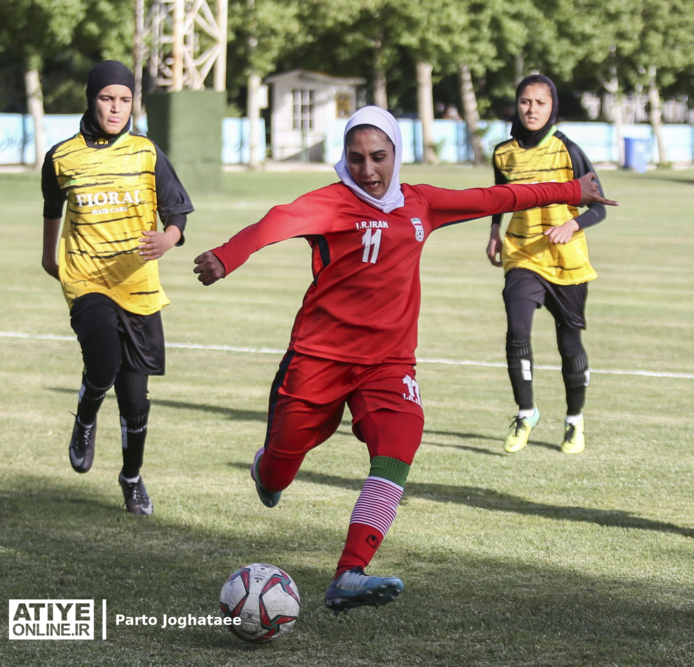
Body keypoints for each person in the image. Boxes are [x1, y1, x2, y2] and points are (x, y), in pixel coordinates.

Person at [193, 106, 615, 612]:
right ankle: (268, 472)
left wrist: (574, 191)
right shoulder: (330, 203)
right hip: (317, 358)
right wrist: (226, 256)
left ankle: (349, 572)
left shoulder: (421, 204)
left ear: (397, 153)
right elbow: (276, 223)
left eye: (378, 157)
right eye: (356, 159)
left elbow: (497, 197)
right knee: (280, 471)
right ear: (343, 159)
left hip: (388, 364)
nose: (367, 170)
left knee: (400, 440)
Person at [41, 60, 194, 516]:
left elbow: (178, 212)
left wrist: (168, 239)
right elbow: (52, 206)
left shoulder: (146, 152)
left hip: (140, 287)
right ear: (91, 99)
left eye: (125, 99)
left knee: (135, 399)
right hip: (87, 279)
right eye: (107, 98)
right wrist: (51, 259)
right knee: (103, 359)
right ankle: (86, 415)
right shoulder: (62, 156)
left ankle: (131, 478)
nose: (116, 108)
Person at [486, 75, 607, 455]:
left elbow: (600, 206)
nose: (532, 109)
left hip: (566, 261)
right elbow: (498, 199)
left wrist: (572, 224)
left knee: (568, 343)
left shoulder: (569, 150)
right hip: (521, 254)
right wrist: (494, 232)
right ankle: (525, 412)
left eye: (540, 102)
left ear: (552, 106)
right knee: (517, 330)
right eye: (525, 101)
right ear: (517, 105)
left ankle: (574, 421)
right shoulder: (503, 152)